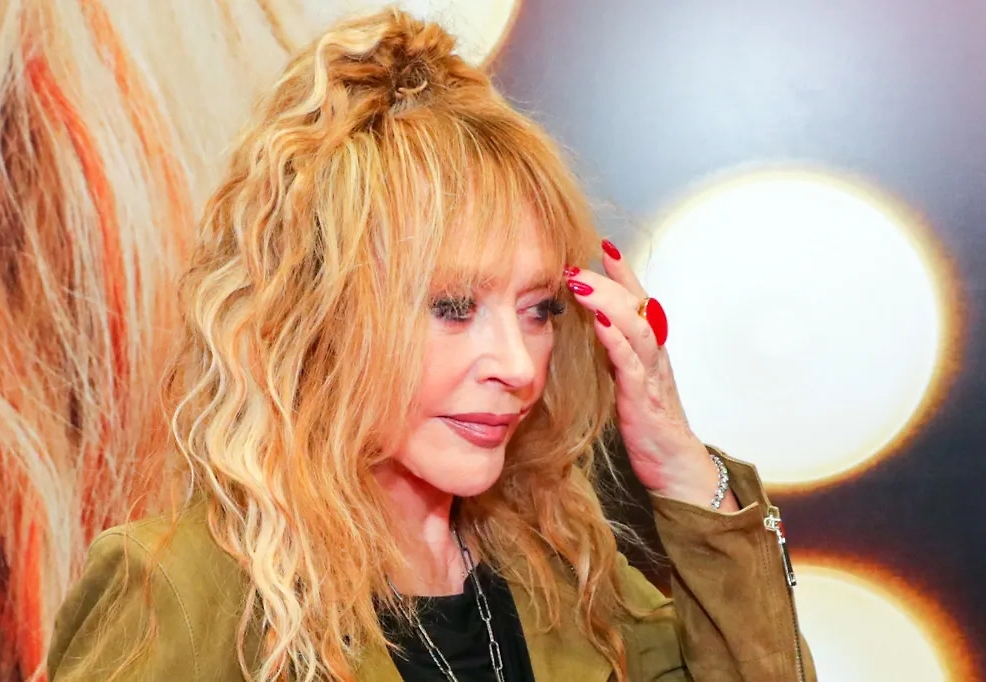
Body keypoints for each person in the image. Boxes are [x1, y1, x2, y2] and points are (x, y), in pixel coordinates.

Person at [46, 9, 816, 682]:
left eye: (539, 309)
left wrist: (680, 466)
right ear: (322, 313)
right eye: (453, 307)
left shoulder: (566, 575)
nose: (518, 365)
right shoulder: (181, 593)